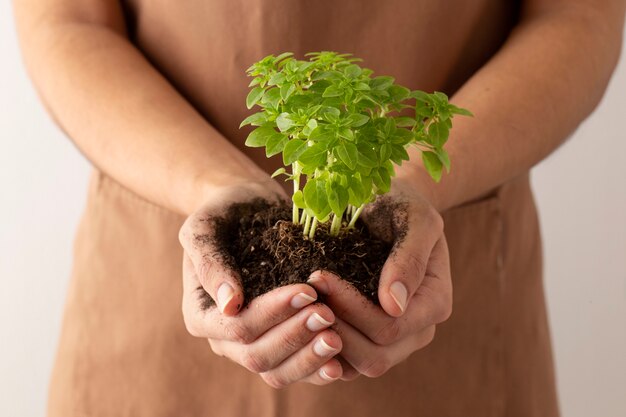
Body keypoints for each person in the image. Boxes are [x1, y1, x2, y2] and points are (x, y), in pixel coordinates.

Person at [13, 0, 625, 416]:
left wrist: (416, 177)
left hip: (438, 289)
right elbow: (67, 19)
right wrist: (208, 185)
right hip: (151, 290)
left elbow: (579, 14)